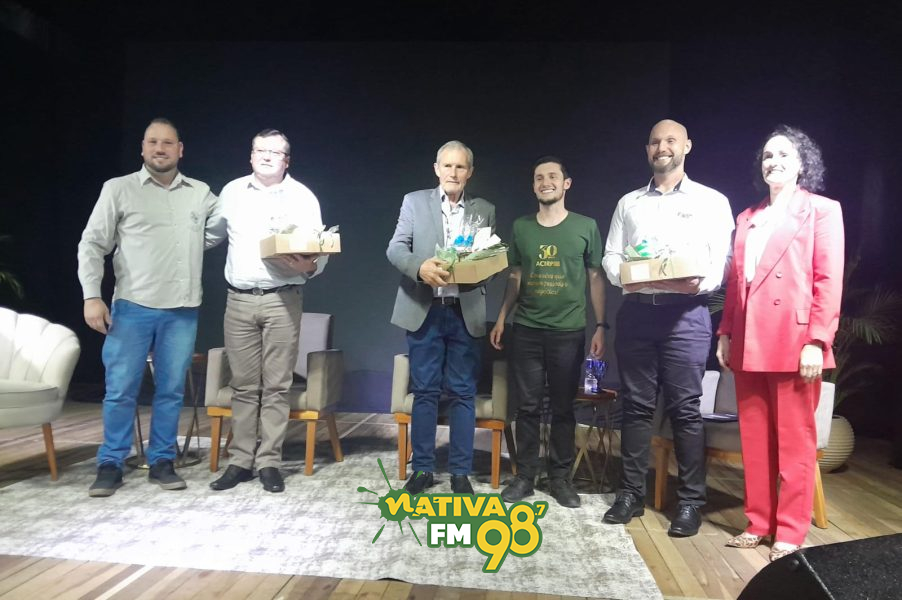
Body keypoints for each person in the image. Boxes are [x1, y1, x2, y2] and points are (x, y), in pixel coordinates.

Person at [78, 117, 224, 497]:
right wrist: (91, 295)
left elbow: (223, 226)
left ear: (180, 150)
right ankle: (110, 463)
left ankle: (162, 460)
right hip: (133, 306)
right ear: (142, 148)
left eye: (168, 143)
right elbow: (92, 244)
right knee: (120, 390)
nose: (160, 149)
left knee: (171, 391)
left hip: (182, 309)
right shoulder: (119, 189)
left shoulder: (200, 193)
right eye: (153, 142)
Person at [601, 119, 734, 536]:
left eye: (671, 140)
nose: (663, 147)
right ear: (647, 150)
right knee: (636, 407)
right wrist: (625, 277)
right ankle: (630, 494)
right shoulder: (629, 203)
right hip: (638, 312)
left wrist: (697, 282)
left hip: (687, 315)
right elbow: (611, 255)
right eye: (655, 141)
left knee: (685, 409)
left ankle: (691, 502)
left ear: (687, 146)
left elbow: (720, 262)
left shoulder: (711, 201)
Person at [716, 126, 843, 561]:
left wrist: (817, 341)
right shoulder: (747, 217)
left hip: (795, 340)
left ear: (802, 163)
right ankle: (758, 522)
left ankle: (789, 530)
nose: (774, 161)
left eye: (785, 154)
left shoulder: (822, 210)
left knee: (794, 442)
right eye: (768, 155)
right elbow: (737, 283)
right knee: (754, 440)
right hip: (749, 340)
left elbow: (828, 280)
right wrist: (726, 332)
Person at [209, 129, 327, 494]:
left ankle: (269, 462)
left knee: (277, 385)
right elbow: (210, 235)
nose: (266, 156)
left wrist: (309, 266)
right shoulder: (231, 192)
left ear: (286, 160)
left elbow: (319, 250)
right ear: (250, 156)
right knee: (243, 386)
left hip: (282, 299)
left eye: (274, 152)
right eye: (260, 150)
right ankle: (240, 460)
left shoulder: (303, 197)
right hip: (239, 299)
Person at [490, 156, 606, 508]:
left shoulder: (586, 226)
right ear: (534, 185)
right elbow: (515, 276)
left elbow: (595, 277)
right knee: (526, 407)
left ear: (566, 183)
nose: (546, 182)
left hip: (568, 332)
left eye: (553, 176)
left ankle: (559, 478)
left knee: (562, 408)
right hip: (526, 329)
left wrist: (601, 326)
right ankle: (525, 476)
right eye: (539, 177)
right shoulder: (521, 227)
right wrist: (502, 317)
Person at [387, 140, 496, 496]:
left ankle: (460, 473)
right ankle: (422, 469)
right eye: (447, 166)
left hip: (465, 312)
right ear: (436, 169)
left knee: (464, 393)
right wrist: (419, 267)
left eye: (460, 167)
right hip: (425, 310)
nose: (453, 172)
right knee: (425, 392)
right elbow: (395, 248)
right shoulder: (414, 202)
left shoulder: (485, 210)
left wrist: (482, 269)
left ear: (470, 172)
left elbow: (490, 259)